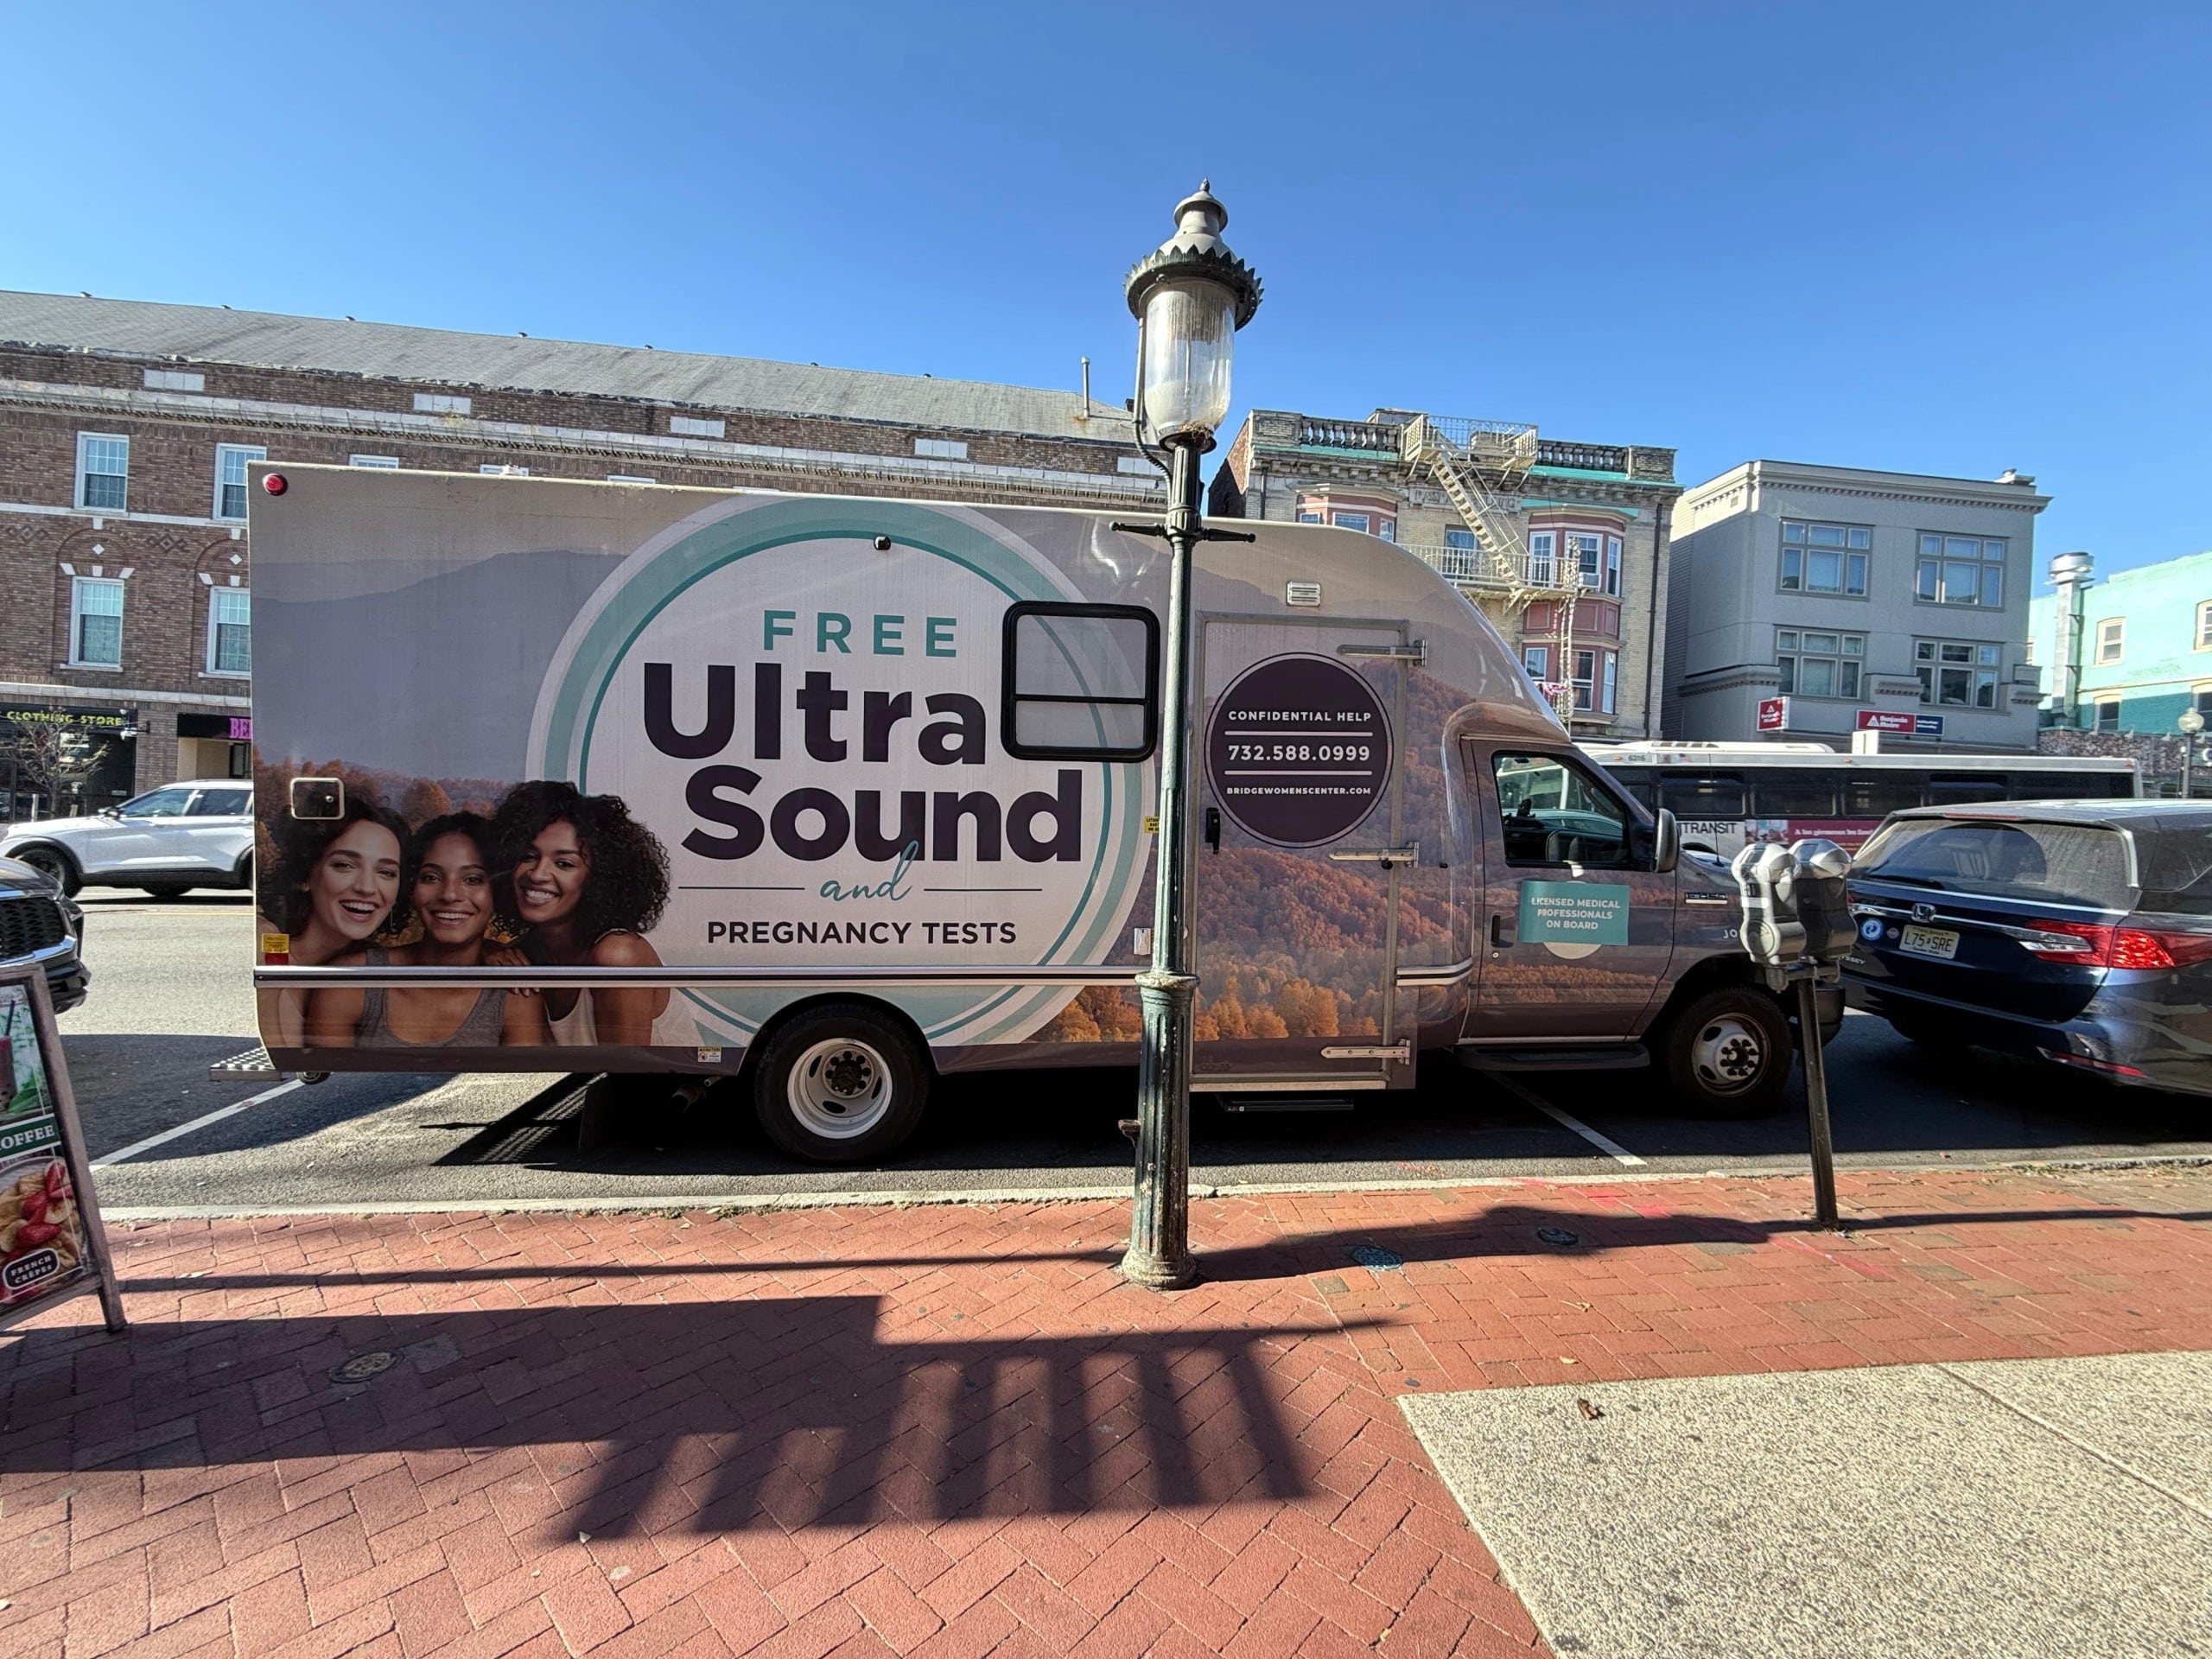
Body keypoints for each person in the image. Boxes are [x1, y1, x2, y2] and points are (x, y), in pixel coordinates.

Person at [303, 813, 550, 1050]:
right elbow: (329, 1090)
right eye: (431, 877)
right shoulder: (351, 982)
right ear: (411, 889)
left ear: (497, 893)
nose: (450, 894)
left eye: (472, 879)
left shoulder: (515, 992)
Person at [486, 781, 671, 1046]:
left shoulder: (617, 955)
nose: (537, 874)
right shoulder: (524, 954)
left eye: (564, 863)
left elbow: (627, 1080)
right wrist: (485, 952)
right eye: (528, 856)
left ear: (599, 879)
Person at [257, 795, 409, 1048]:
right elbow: (284, 1056)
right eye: (345, 865)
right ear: (305, 875)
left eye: (386, 872)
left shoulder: (370, 966)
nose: (367, 888)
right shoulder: (270, 944)